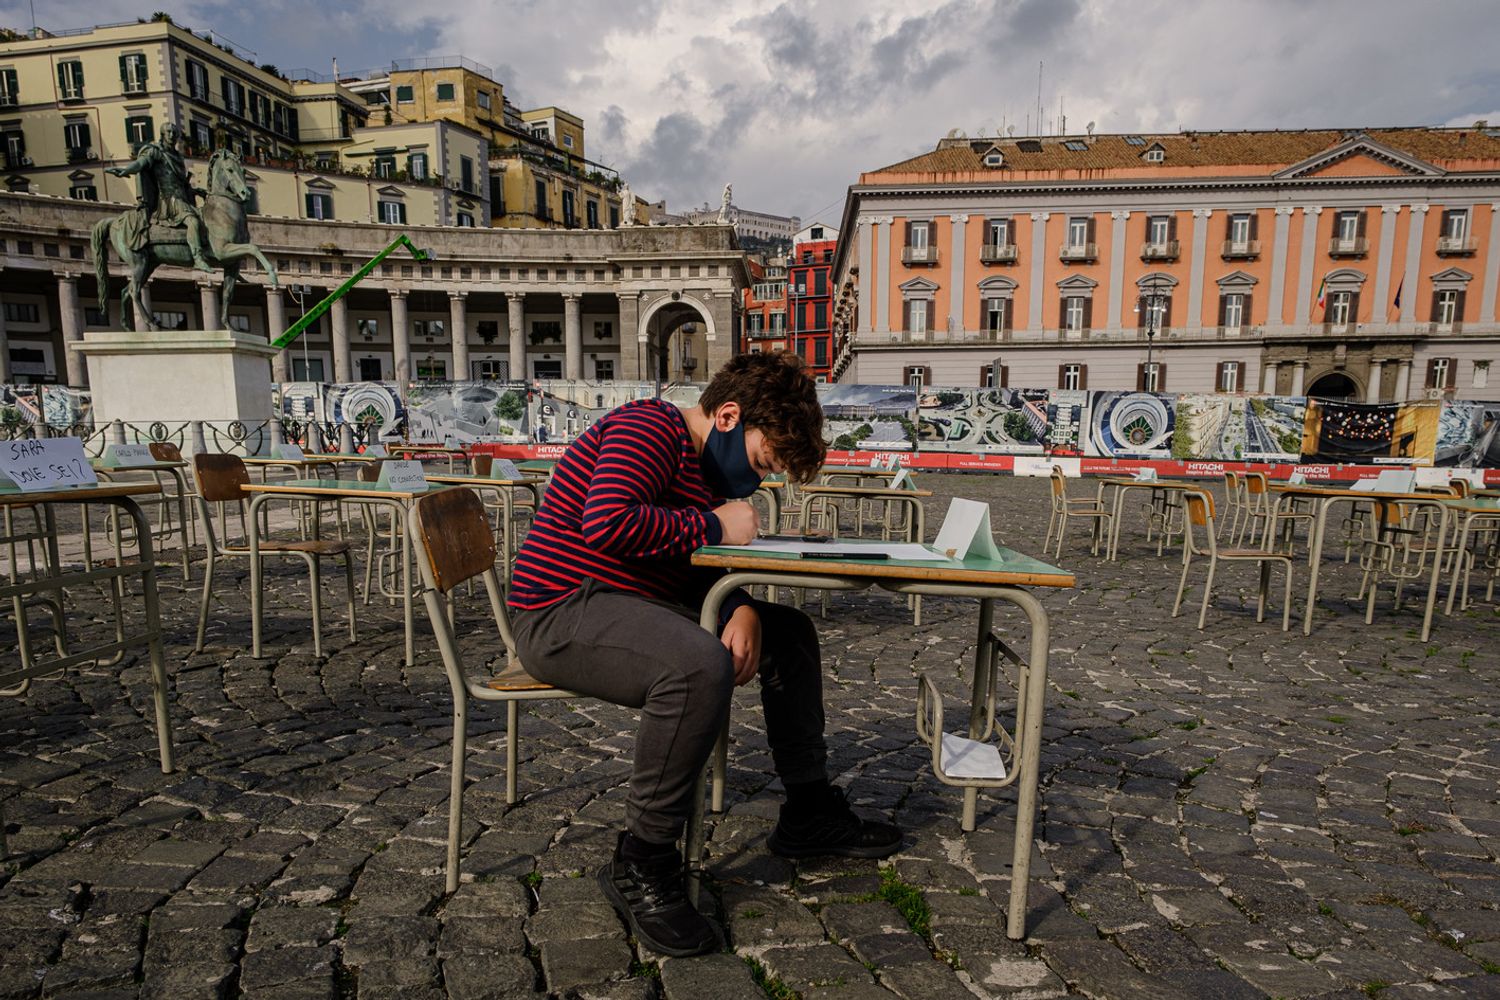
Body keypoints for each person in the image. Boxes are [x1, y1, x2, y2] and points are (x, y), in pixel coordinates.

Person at [507, 351, 901, 956]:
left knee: (788, 632)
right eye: (762, 462)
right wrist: (717, 527)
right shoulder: (650, 426)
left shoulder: (700, 471)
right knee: (696, 666)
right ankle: (643, 857)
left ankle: (809, 807)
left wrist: (740, 602)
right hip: (561, 611)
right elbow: (608, 524)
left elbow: (676, 563)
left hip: (629, 601)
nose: (756, 483)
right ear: (727, 417)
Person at [106, 121, 213, 271]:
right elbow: (141, 163)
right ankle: (197, 257)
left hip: (182, 199)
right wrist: (126, 170)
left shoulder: (178, 157)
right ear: (162, 135)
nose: (171, 135)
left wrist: (195, 191)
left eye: (174, 133)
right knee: (193, 222)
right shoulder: (155, 152)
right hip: (169, 202)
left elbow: (181, 183)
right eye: (168, 132)